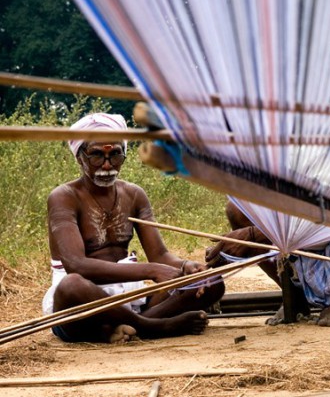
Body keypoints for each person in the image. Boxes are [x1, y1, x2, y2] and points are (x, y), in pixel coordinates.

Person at [43, 113, 224, 343]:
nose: (107, 165)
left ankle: (125, 327)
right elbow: (77, 265)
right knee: (71, 285)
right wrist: (153, 270)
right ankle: (153, 326)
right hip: (83, 306)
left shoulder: (134, 194)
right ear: (80, 157)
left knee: (212, 282)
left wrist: (186, 267)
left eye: (115, 155)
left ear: (125, 155)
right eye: (97, 156)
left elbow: (160, 255)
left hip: (129, 300)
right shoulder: (64, 197)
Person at [206, 201, 330, 327]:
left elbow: (326, 208)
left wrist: (255, 234)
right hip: (297, 259)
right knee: (238, 208)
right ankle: (294, 296)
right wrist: (235, 250)